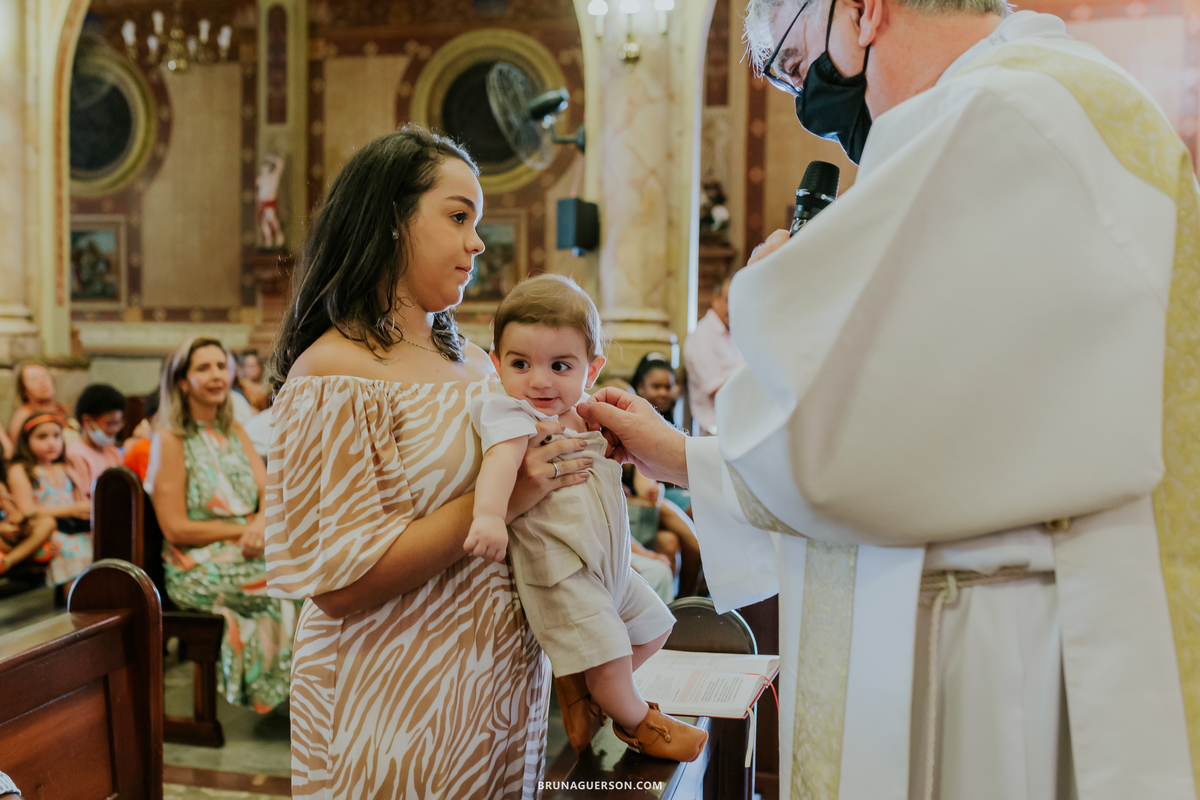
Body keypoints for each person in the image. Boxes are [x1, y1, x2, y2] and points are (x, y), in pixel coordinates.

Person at [579, 0, 1200, 798]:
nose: (819, 109)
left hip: (1006, 655)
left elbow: (847, 443)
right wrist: (689, 456)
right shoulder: (1055, 95)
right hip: (1028, 608)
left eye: (800, 66)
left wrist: (778, 288)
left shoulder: (993, 111)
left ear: (865, 11)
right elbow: (935, 423)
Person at [264, 126, 590, 798]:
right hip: (389, 692)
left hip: (493, 683)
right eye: (458, 216)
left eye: (479, 221)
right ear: (391, 221)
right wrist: (510, 497)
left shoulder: (475, 361)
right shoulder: (335, 371)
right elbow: (339, 585)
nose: (478, 242)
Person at [465, 274, 706, 761]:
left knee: (657, 626)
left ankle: (581, 684)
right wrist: (489, 515)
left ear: (591, 369)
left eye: (559, 365)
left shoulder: (588, 414)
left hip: (609, 564)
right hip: (561, 570)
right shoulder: (513, 416)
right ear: (496, 364)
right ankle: (637, 721)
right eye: (520, 363)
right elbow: (500, 464)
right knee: (613, 654)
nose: (538, 380)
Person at [146, 336, 297, 712]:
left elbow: (270, 491)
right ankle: (290, 697)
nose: (216, 375)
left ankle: (309, 694)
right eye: (203, 368)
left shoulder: (235, 432)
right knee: (287, 587)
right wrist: (243, 530)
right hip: (196, 566)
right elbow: (176, 529)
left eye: (220, 366)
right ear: (182, 382)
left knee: (310, 575)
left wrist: (261, 525)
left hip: (248, 549)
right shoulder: (170, 440)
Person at [6, 414, 93, 591]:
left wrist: (83, 509)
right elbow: (27, 510)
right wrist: (72, 509)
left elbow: (81, 503)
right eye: (42, 437)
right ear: (26, 440)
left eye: (56, 436)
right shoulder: (21, 470)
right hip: (48, 531)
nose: (51, 443)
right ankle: (76, 607)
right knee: (73, 551)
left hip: (74, 528)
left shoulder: (65, 469)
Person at [683, 275, 741, 436]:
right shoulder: (702, 336)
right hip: (715, 432)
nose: (736, 307)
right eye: (730, 300)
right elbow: (718, 390)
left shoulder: (737, 334)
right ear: (715, 300)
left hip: (738, 427)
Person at [66, 383, 126, 502]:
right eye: (111, 423)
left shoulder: (112, 451)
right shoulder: (76, 454)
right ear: (88, 420)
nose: (116, 429)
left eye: (119, 423)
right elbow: (85, 499)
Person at [0, 470, 57, 576]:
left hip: (11, 536)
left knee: (48, 521)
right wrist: (2, 528)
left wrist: (21, 526)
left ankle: (9, 561)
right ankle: (31, 553)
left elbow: (14, 515)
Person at [8, 364, 77, 447]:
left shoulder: (63, 409)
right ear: (24, 391)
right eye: (34, 380)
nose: (42, 383)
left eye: (45, 377)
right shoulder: (24, 415)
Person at [630, 353, 679, 423]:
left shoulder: (676, 428)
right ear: (640, 387)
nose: (663, 393)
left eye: (668, 387)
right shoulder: (631, 425)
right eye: (656, 387)